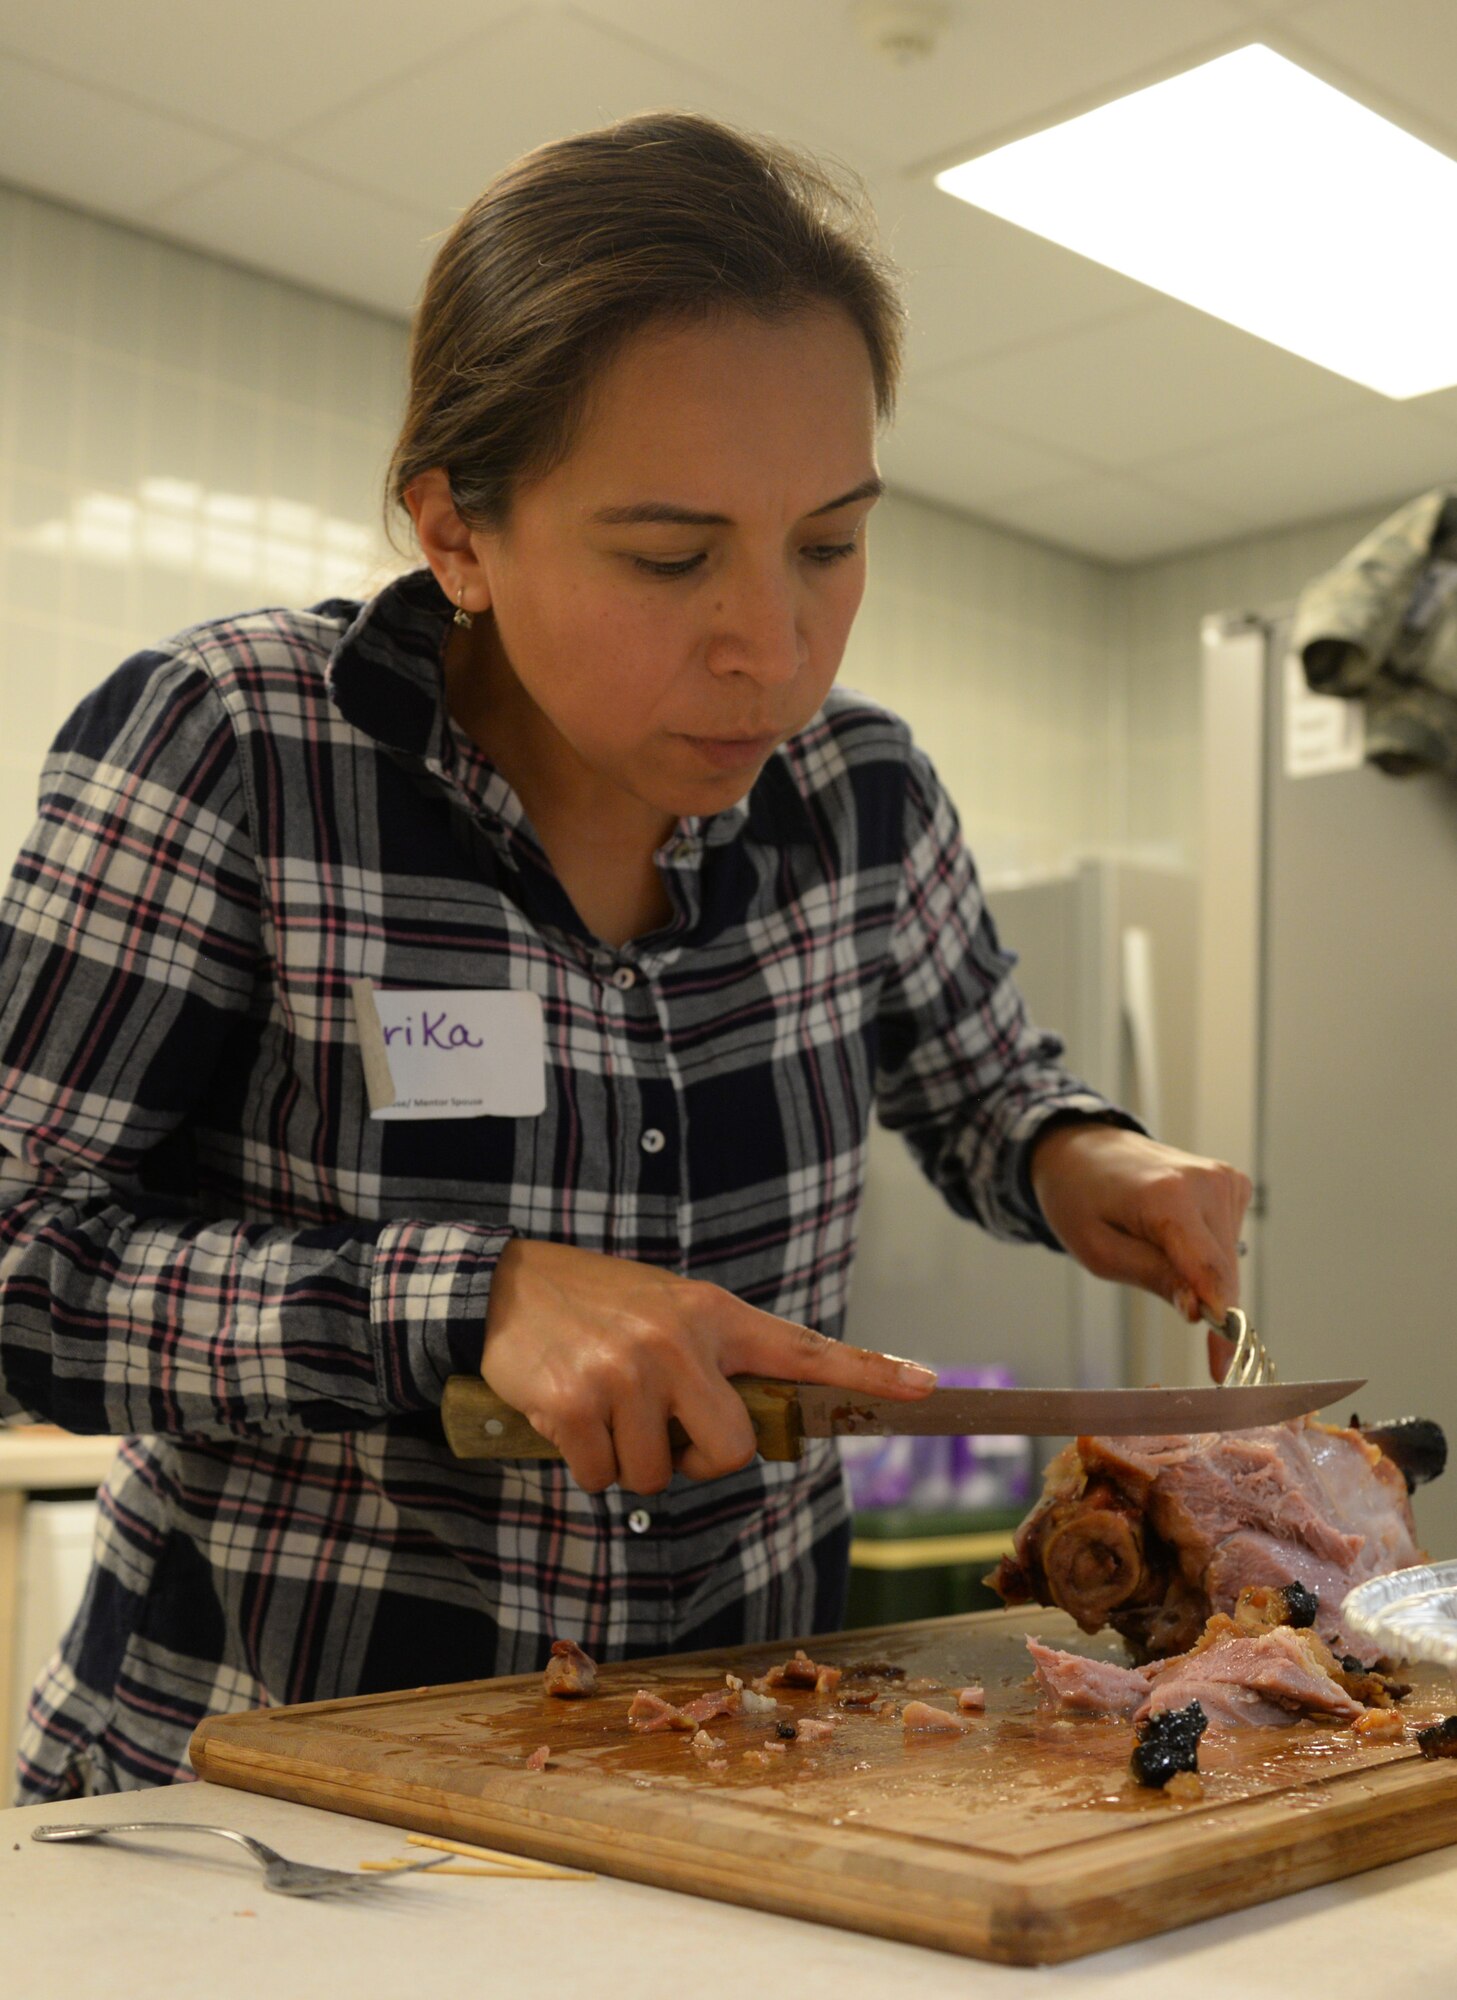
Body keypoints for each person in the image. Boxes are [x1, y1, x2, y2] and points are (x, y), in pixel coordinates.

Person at [0, 112, 1250, 1804]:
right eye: (670, 557)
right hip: (269, 1789)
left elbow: (984, 1089)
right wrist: (470, 1299)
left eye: (828, 543)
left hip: (733, 1765)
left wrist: (1080, 1154)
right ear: (456, 534)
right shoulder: (233, 747)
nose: (774, 648)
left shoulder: (859, 796)